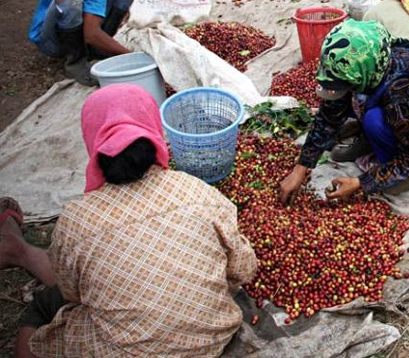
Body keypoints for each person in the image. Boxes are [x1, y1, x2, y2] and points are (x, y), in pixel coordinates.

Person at [8, 84, 258, 357]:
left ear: (93, 140)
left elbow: (71, 292)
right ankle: (17, 249)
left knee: (44, 305)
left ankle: (18, 254)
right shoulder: (197, 191)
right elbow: (244, 268)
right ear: (154, 132)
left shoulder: (76, 221)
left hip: (122, 351)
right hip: (211, 338)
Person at [278, 20, 409, 203]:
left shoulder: (400, 89)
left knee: (376, 128)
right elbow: (329, 116)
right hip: (403, 117)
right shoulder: (366, 65)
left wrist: (361, 182)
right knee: (352, 101)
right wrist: (301, 168)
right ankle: (372, 139)